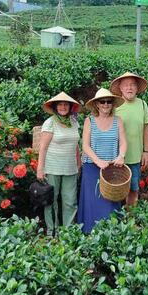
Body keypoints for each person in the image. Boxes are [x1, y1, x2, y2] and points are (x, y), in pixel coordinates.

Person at [78, 88, 127, 234]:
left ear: (112, 104)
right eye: (102, 101)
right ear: (96, 105)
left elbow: (123, 142)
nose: (106, 104)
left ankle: (111, 233)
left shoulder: (118, 121)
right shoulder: (89, 121)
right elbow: (85, 145)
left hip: (111, 169)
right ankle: (89, 233)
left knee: (110, 201)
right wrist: (97, 161)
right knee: (92, 201)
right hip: (92, 167)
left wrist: (121, 156)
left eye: (109, 102)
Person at [36, 92, 81, 237]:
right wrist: (40, 168)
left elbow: (75, 145)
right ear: (55, 107)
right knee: (51, 201)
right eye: (60, 104)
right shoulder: (49, 123)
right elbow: (42, 148)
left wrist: (78, 163)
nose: (63, 107)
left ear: (70, 107)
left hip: (70, 168)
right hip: (52, 167)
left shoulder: (74, 122)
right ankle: (51, 232)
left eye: (66, 104)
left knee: (70, 201)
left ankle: (68, 232)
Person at [111, 72, 148, 207]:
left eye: (132, 85)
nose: (129, 88)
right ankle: (115, 221)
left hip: (135, 157)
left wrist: (146, 152)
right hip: (117, 158)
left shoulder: (142, 104)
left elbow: (146, 128)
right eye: (126, 85)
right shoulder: (114, 106)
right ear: (121, 88)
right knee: (116, 191)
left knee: (133, 190)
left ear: (137, 88)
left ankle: (130, 219)